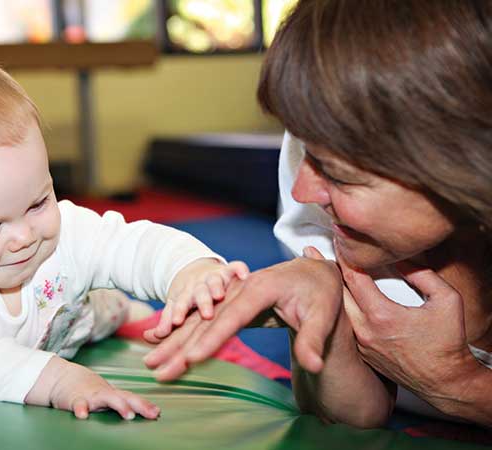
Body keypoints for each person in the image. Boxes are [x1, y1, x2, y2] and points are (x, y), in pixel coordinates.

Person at [143, 0, 492, 429]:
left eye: (341, 176)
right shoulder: (327, 208)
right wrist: (324, 321)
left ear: (468, 172)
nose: (301, 190)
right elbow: (356, 418)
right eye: (307, 152)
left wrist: (461, 384)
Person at [0, 49, 249, 420]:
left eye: (38, 202)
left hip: (68, 315)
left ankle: (124, 309)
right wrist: (60, 379)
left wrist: (188, 269)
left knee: (104, 307)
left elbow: (132, 244)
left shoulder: (62, 231)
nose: (25, 236)